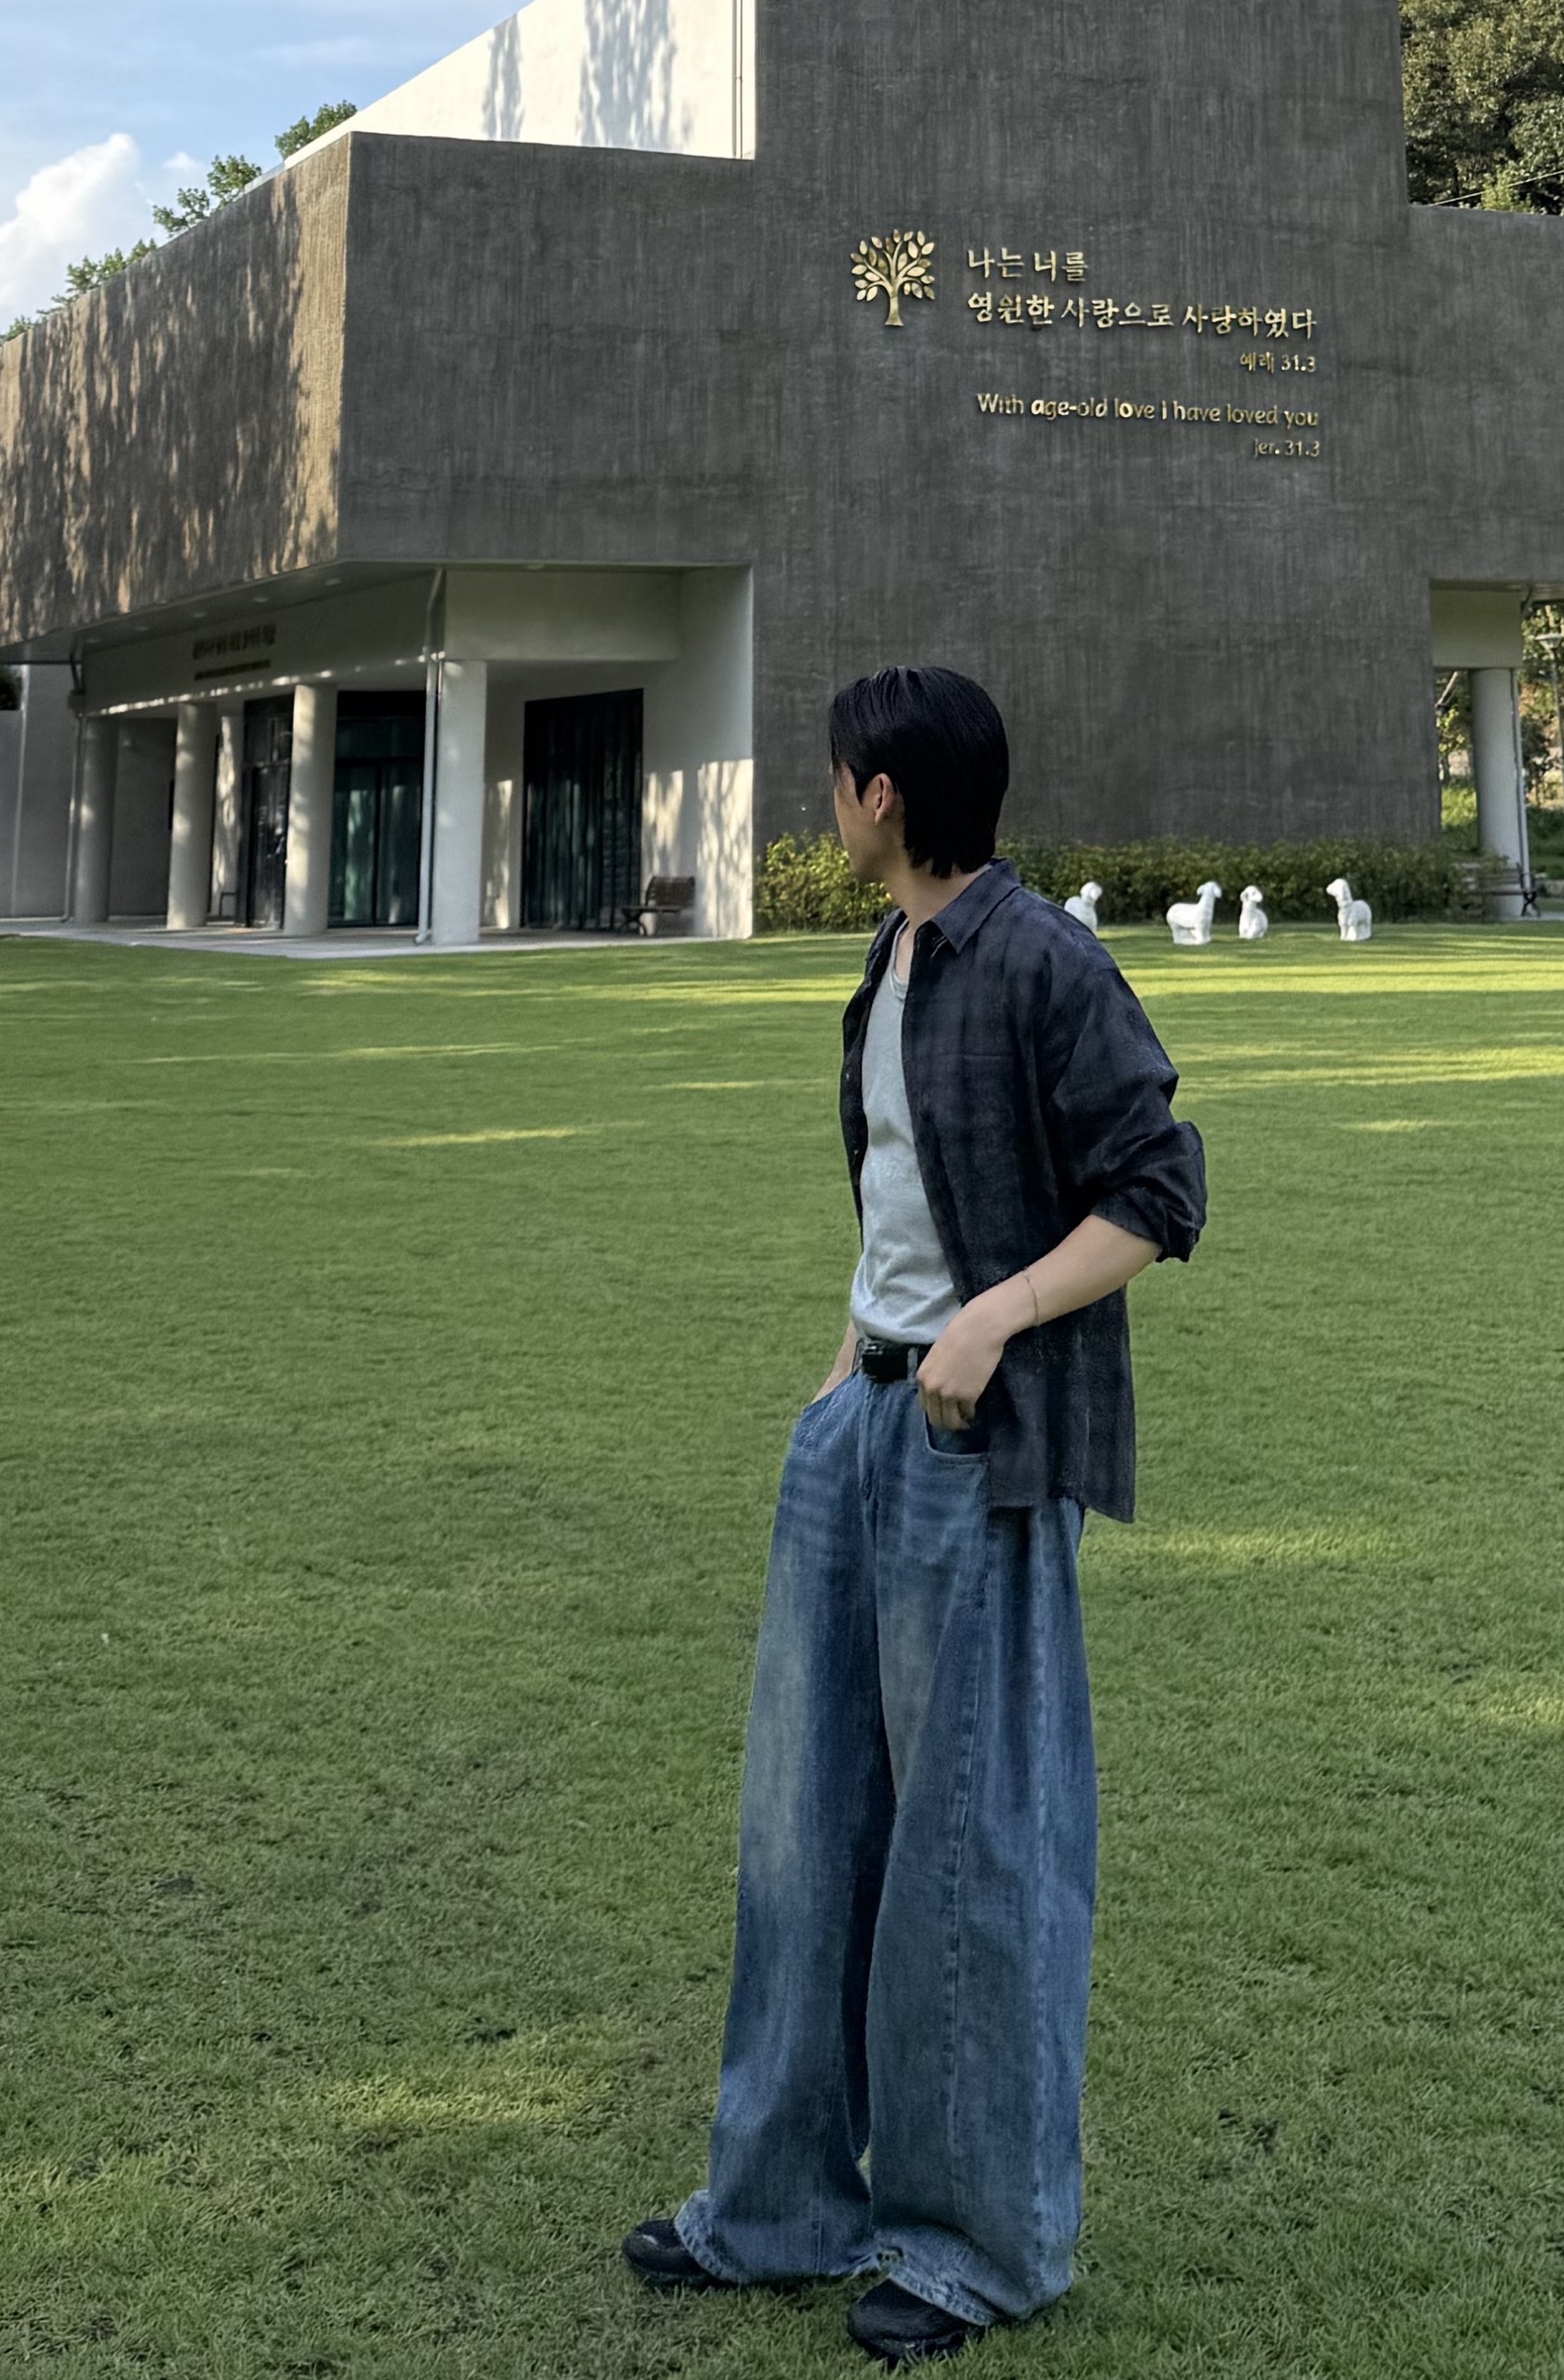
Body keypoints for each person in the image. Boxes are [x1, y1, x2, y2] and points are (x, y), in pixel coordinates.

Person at [623, 666, 1206, 2363]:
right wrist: (843, 1372)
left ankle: (971, 2244)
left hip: (978, 1448)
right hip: (860, 1430)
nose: (827, 799)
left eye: (835, 777)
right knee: (804, 1830)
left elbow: (1160, 1188)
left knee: (972, 1845)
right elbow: (899, 1198)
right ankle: (778, 2204)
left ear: (884, 793)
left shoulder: (1041, 960)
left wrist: (992, 1319)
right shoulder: (888, 957)